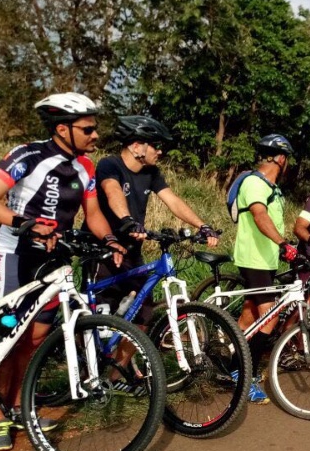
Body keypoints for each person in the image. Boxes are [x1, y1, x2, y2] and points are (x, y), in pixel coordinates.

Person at [0, 92, 125, 451]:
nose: (95, 135)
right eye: (87, 129)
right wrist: (27, 224)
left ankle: (22, 406)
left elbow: (94, 213)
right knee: (11, 339)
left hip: (55, 259)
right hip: (15, 254)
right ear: (62, 128)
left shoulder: (86, 166)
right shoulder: (28, 155)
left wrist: (110, 240)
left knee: (36, 339)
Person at [91, 115, 219, 330]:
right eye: (156, 145)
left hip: (133, 252)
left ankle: (117, 364)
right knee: (99, 320)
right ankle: (85, 359)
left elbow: (172, 200)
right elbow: (113, 191)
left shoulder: (151, 173)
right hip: (104, 250)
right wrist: (128, 221)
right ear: (136, 146)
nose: (160, 152)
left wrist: (202, 226)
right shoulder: (109, 164)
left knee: (143, 318)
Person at [230, 133, 298, 404]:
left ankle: (232, 364)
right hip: (253, 258)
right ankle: (245, 375)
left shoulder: (272, 187)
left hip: (265, 260)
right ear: (281, 158)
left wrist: (284, 246)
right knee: (269, 319)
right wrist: (283, 244)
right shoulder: (255, 183)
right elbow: (259, 216)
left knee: (249, 315)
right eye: (288, 159)